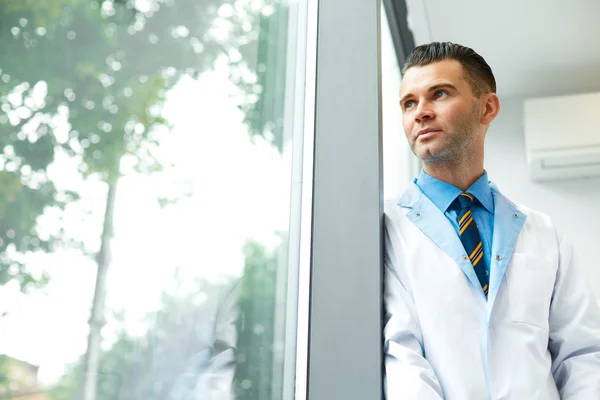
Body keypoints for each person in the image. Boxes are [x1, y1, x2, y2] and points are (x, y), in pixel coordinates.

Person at [383, 42, 600, 399]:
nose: (420, 112)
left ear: (487, 108)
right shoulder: (387, 229)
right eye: (409, 103)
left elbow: (582, 355)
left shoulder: (543, 234)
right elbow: (400, 356)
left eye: (439, 94)